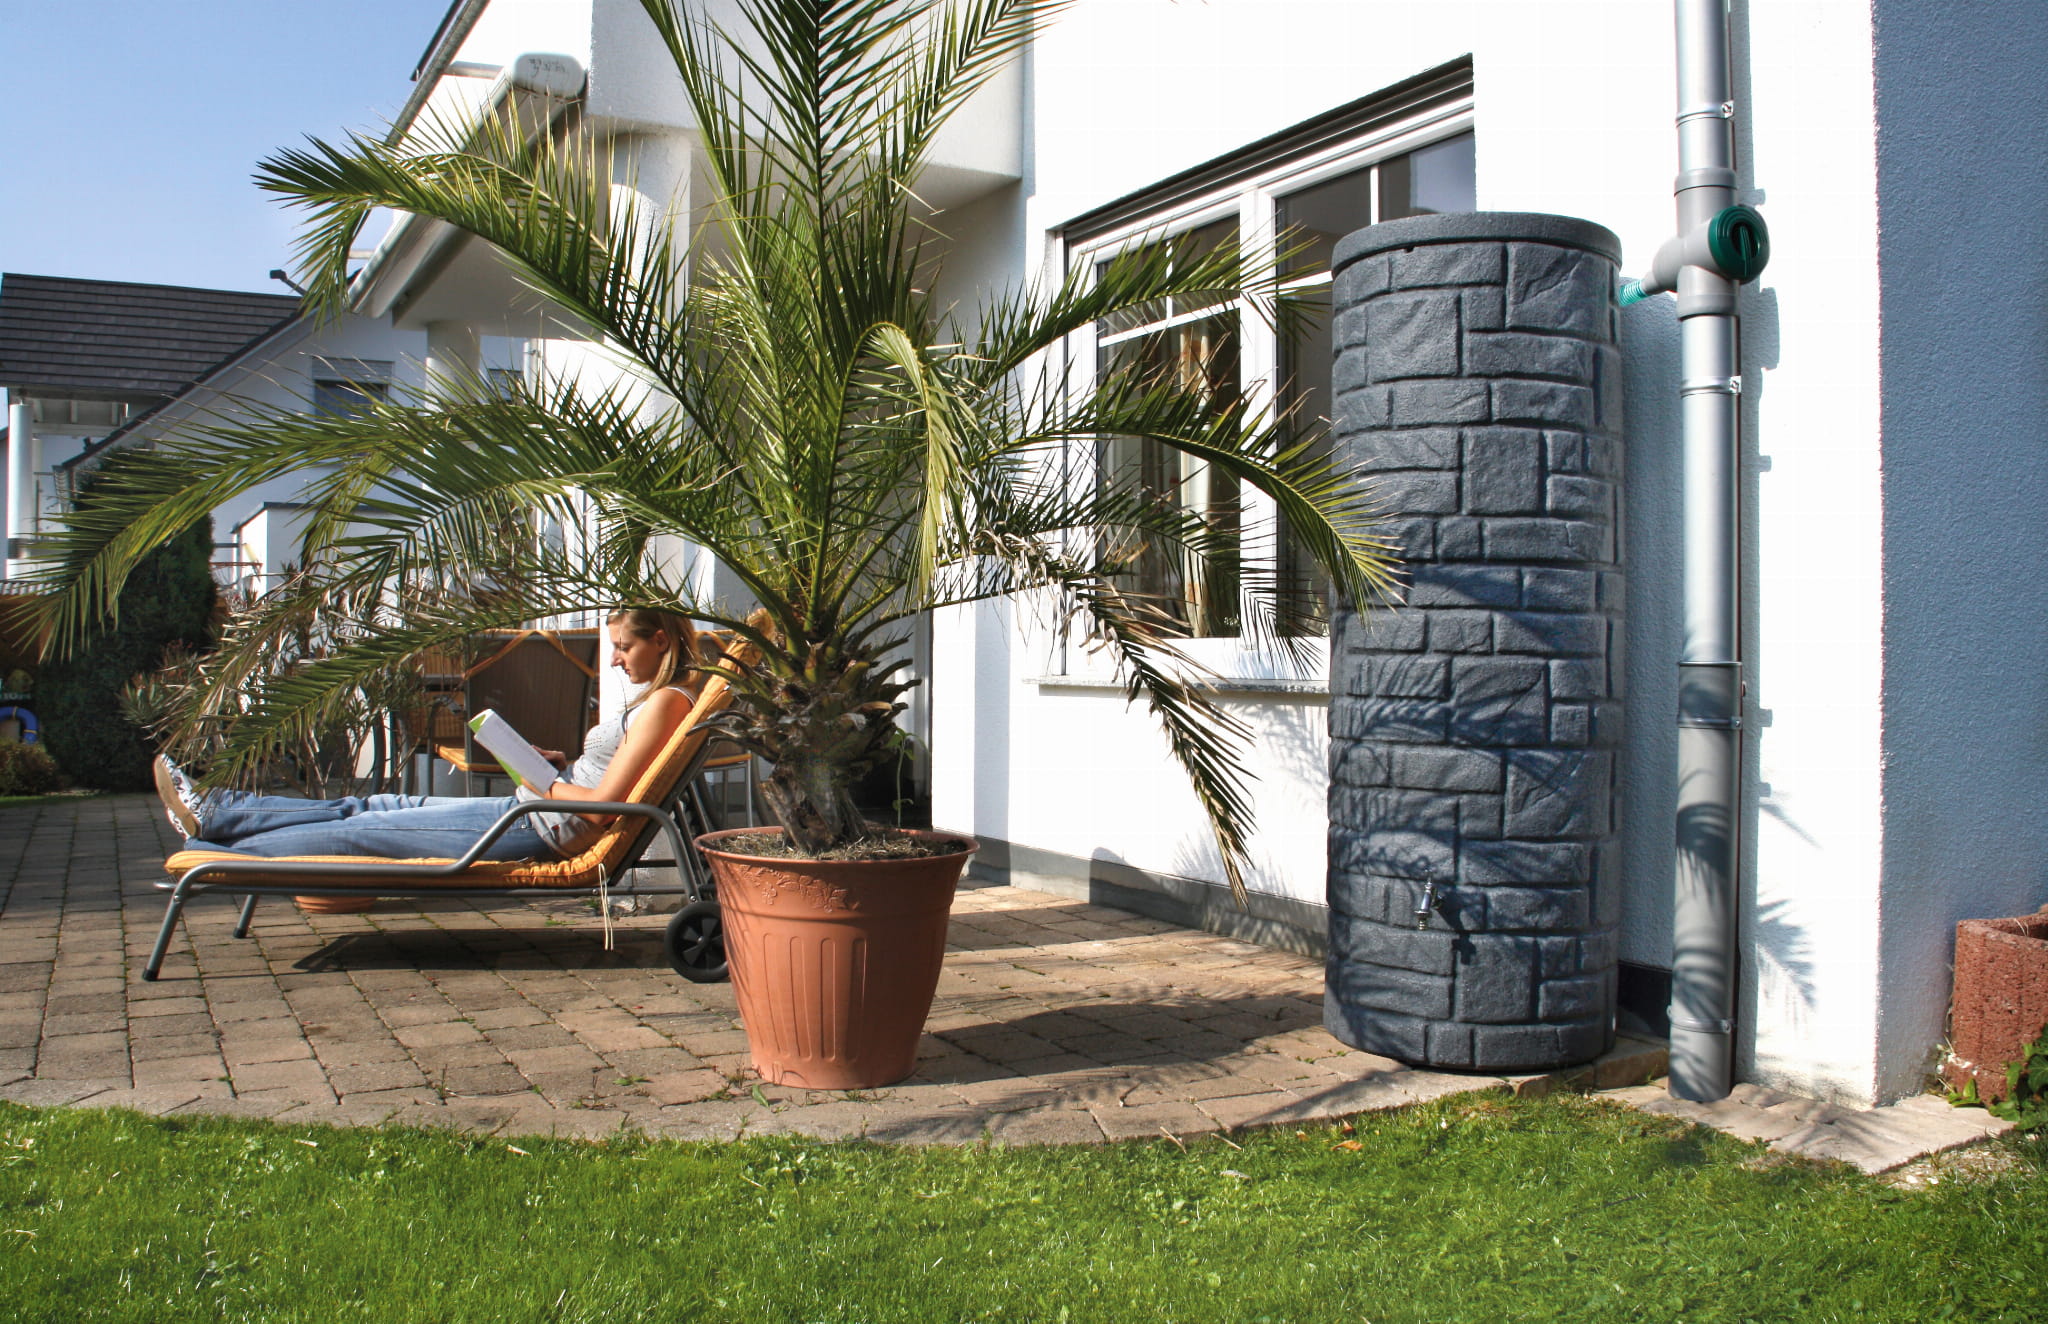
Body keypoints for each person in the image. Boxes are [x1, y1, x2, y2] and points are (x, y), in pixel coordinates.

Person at [155, 610, 702, 860]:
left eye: (624, 647)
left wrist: (543, 780)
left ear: (659, 640)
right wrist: (555, 767)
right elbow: (609, 781)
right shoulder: (664, 699)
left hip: (538, 824)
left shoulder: (666, 703)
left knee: (360, 834)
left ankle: (211, 849)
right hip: (534, 807)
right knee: (369, 805)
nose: (615, 660)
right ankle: (220, 811)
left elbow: (605, 809)